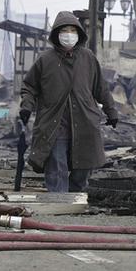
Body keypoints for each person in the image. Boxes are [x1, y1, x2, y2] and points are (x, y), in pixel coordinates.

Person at [20, 12, 118, 193]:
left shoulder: (88, 58)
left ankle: (74, 198)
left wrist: (111, 112)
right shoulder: (45, 60)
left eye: (72, 30)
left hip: (85, 122)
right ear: (57, 34)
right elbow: (29, 86)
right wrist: (26, 106)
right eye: (64, 30)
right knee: (57, 166)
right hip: (55, 124)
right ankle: (58, 202)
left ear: (79, 33)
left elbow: (101, 88)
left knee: (84, 166)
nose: (68, 34)